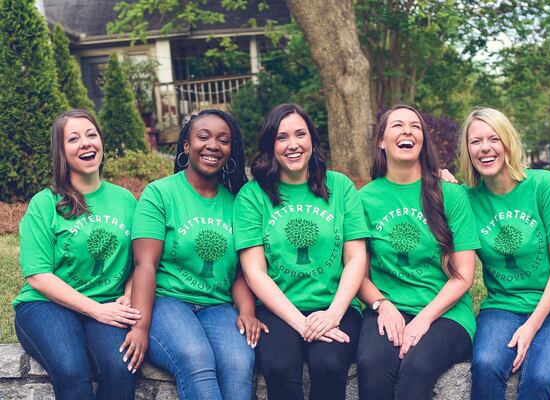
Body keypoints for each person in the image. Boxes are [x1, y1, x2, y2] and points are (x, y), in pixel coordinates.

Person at [120, 109, 266, 400]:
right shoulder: (159, 194)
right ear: (186, 146)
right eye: (203, 137)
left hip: (218, 306)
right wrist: (140, 327)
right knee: (195, 356)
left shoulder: (237, 202)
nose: (213, 145)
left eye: (223, 140)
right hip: (168, 301)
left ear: (230, 150)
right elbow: (145, 264)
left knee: (240, 363)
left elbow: (238, 272)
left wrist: (247, 312)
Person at [233, 103, 369, 400]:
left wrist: (333, 315)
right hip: (277, 309)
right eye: (282, 137)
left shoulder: (340, 187)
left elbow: (356, 258)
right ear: (271, 145)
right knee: (279, 367)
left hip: (336, 306)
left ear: (312, 140)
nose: (292, 145)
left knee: (329, 365)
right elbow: (254, 271)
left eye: (300, 134)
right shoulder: (253, 196)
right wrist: (303, 323)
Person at [459, 107, 550, 400]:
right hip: (503, 307)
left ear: (508, 142)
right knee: (486, 366)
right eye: (475, 141)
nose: (485, 148)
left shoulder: (543, 185)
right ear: (467, 151)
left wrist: (531, 325)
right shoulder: (466, 200)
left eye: (493, 138)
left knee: (539, 378)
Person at [356, 104, 480, 400]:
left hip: (446, 313)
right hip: (386, 307)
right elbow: (355, 272)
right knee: (371, 365)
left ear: (422, 139)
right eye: (397, 125)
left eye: (415, 125)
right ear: (382, 142)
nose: (407, 130)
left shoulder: (451, 194)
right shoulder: (364, 199)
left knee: (417, 367)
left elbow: (464, 275)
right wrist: (383, 305)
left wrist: (424, 318)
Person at [13, 109, 139, 400]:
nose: (85, 143)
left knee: (122, 368)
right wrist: (96, 310)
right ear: (61, 151)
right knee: (72, 370)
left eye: (91, 135)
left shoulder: (124, 200)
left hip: (107, 303)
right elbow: (39, 276)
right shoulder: (45, 203)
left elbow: (140, 260)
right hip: (46, 305)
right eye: (73, 139)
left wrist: (129, 294)